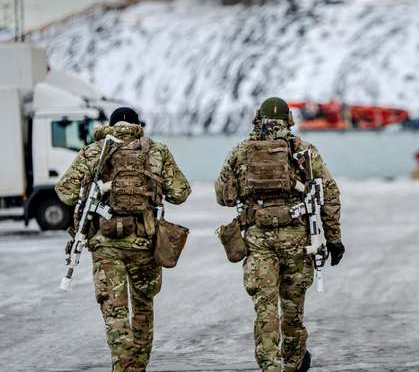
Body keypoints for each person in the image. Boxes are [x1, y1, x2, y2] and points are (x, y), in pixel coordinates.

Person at [56, 107, 192, 372]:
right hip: (144, 241)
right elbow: (181, 192)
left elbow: (65, 192)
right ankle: (137, 367)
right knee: (142, 308)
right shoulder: (156, 150)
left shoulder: (94, 151)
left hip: (105, 246)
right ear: (137, 125)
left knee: (115, 313)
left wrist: (93, 189)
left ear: (111, 125)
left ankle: (122, 367)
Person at [214, 97, 345, 372]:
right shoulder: (303, 151)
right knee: (293, 308)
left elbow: (222, 195)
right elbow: (328, 194)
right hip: (296, 238)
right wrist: (333, 238)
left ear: (258, 119)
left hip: (258, 240)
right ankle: (294, 362)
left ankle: (270, 367)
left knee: (266, 309)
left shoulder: (241, 151)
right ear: (288, 120)